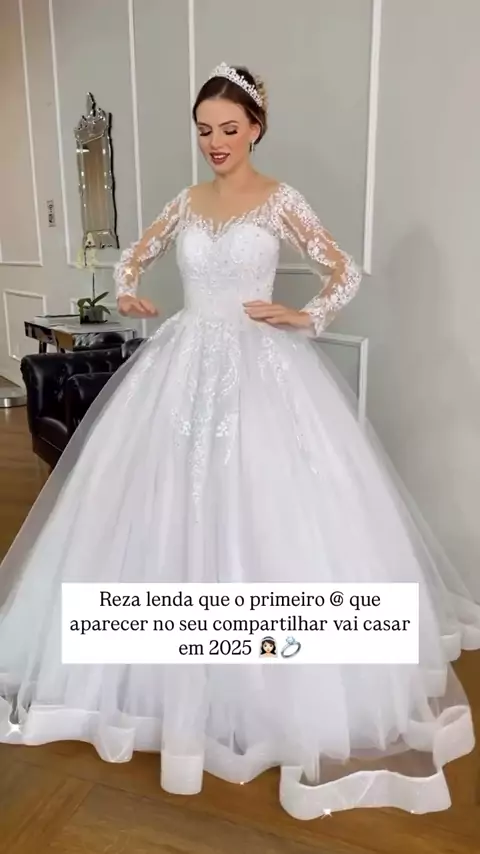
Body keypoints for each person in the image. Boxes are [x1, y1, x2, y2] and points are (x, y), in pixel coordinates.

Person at [0, 62, 479, 821]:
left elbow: (341, 269)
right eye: (204, 131)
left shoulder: (281, 199)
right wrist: (128, 289)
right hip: (183, 363)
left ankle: (263, 675)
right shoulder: (186, 202)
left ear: (256, 127)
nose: (215, 142)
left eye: (228, 129)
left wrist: (306, 316)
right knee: (162, 508)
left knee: (266, 512)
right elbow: (133, 255)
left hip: (262, 371)